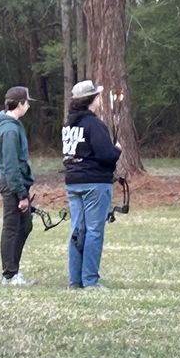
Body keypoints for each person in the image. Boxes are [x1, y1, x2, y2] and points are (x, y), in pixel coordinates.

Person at [62, 79, 121, 289]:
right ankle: (90, 280)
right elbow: (106, 155)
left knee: (77, 230)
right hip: (95, 182)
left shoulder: (68, 124)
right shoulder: (94, 124)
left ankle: (75, 280)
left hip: (73, 181)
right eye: (96, 97)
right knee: (94, 231)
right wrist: (117, 150)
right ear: (91, 100)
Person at [0, 86, 35, 286]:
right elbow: (11, 165)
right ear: (20, 104)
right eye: (26, 102)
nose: (28, 106)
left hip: (15, 183)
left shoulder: (12, 125)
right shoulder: (9, 130)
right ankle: (9, 274)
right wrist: (21, 194)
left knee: (25, 226)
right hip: (11, 184)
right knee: (11, 227)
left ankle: (13, 270)